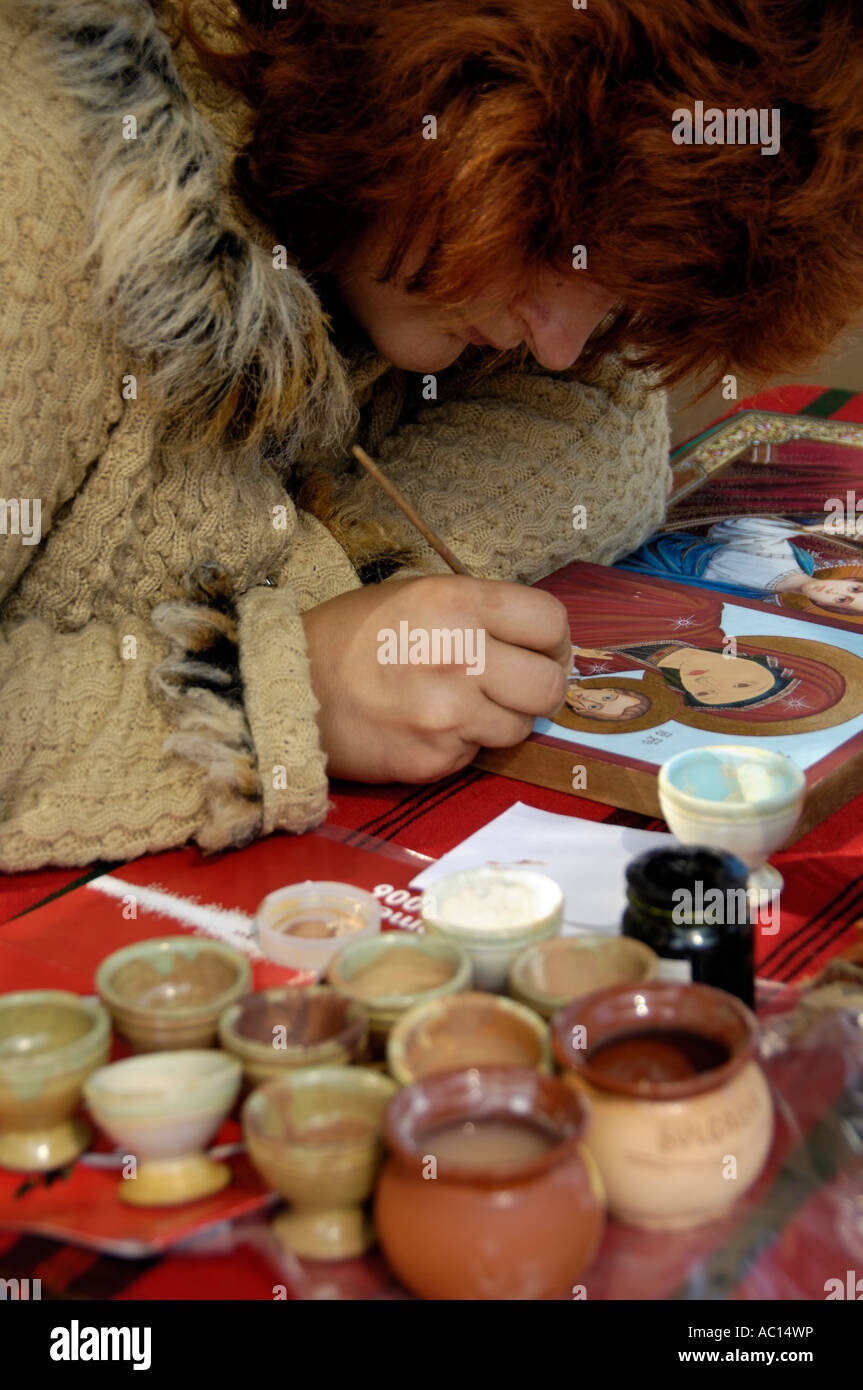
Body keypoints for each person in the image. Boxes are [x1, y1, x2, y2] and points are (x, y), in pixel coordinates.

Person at [2, 0, 863, 870]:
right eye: (556, 244)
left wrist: (338, 596)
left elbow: (606, 420)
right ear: (441, 96)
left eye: (615, 292)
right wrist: (283, 690)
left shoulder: (411, 244)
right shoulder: (37, 202)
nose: (560, 343)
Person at [618, 516, 863, 615]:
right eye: (852, 591)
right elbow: (727, 529)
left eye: (842, 601)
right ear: (849, 580)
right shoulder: (791, 556)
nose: (836, 593)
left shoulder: (754, 602)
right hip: (663, 549)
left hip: (644, 579)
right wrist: (811, 528)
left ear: (826, 606)